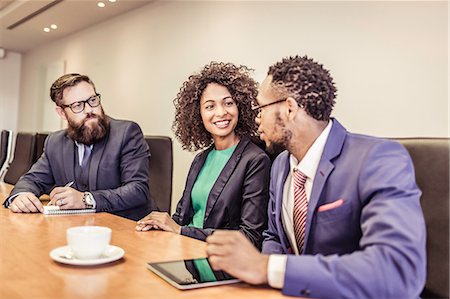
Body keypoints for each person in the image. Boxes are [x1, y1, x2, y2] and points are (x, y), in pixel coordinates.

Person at [205, 56, 426, 298]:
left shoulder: (378, 159)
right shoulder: (280, 165)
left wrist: (266, 267)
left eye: (260, 109)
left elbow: (397, 271)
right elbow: (274, 236)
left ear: (289, 108)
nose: (257, 119)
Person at [136, 62, 271, 248]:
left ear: (240, 106)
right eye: (210, 106)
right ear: (198, 114)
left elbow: (249, 236)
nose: (221, 112)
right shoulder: (201, 159)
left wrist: (181, 231)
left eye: (228, 103)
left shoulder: (256, 160)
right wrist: (159, 224)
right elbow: (181, 217)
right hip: (188, 254)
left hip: (220, 261)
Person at [3, 73, 154, 221]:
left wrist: (86, 199)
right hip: (77, 228)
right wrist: (21, 195)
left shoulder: (127, 132)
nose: (89, 110)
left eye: (92, 100)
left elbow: (137, 190)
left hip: (126, 228)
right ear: (62, 113)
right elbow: (33, 179)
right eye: (77, 105)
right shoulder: (55, 142)